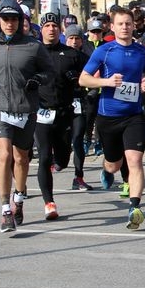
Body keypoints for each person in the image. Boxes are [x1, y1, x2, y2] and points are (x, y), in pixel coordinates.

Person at [0, 0, 55, 232]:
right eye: (6, 19)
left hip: (25, 108)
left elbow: (49, 71)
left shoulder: (33, 46)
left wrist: (37, 80)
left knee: (21, 158)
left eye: (14, 19)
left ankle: (18, 199)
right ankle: (5, 210)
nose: (10, 23)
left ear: (20, 21)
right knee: (4, 156)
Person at [79, 6, 145, 229]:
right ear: (112, 27)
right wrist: (106, 82)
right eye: (120, 24)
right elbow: (83, 79)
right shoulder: (104, 51)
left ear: (134, 26)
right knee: (114, 164)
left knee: (135, 160)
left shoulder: (142, 51)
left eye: (128, 23)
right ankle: (107, 169)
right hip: (108, 116)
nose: (125, 27)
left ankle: (135, 207)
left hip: (134, 115)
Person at [34, 13, 84, 220]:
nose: (51, 29)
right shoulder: (33, 52)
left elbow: (89, 75)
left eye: (55, 25)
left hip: (65, 112)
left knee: (62, 158)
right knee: (44, 156)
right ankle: (49, 203)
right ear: (41, 29)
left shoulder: (71, 54)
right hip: (41, 112)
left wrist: (79, 81)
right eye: (47, 26)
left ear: (60, 30)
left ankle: (60, 161)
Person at [63, 25, 93, 191]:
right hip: (60, 104)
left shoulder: (85, 58)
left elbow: (94, 78)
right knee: (63, 140)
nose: (74, 41)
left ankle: (79, 177)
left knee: (78, 139)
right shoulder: (57, 56)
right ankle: (57, 160)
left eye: (77, 38)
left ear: (82, 40)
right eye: (71, 38)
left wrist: (89, 92)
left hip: (79, 102)